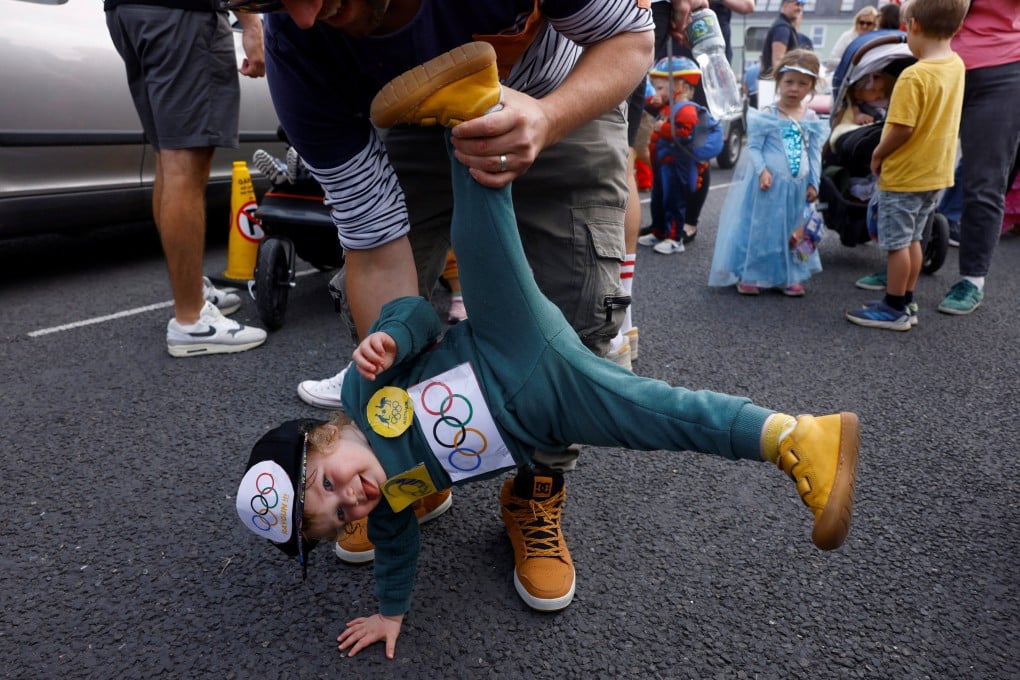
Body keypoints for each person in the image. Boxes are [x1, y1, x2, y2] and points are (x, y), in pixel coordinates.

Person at [235, 51, 861, 659]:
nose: (353, 498)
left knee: (480, 239)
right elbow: (397, 556)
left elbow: (422, 317)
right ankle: (796, 438)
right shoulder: (392, 506)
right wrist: (390, 614)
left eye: (329, 483)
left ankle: (467, 108)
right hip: (547, 413)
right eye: (340, 513)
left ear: (322, 438)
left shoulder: (360, 393)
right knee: (665, 417)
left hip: (506, 342)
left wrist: (391, 335)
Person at [227, 0, 660, 612]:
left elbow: (630, 38)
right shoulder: (301, 56)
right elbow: (376, 248)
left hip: (560, 86)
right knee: (377, 329)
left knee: (580, 323)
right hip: (415, 116)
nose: (299, 18)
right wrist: (396, 409)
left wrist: (546, 117)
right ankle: (414, 473)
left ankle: (535, 488)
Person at [105, 1, 268, 357]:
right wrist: (253, 26)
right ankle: (192, 320)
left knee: (168, 156)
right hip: (183, 14)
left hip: (125, 12)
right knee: (184, 162)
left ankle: (191, 292)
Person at [845, 0, 968, 331]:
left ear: (912, 26)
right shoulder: (956, 64)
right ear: (957, 28)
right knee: (913, 239)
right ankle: (905, 299)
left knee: (898, 244)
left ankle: (894, 307)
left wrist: (878, 153)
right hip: (934, 173)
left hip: (905, 174)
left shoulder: (914, 75)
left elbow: (902, 128)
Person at [709, 49, 826, 296]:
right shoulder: (767, 115)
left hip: (796, 186)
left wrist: (814, 182)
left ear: (812, 86)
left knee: (792, 230)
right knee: (761, 228)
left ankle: (788, 275)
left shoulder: (812, 117)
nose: (794, 88)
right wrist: (762, 170)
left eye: (803, 84)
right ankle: (752, 273)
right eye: (789, 82)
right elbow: (754, 146)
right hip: (769, 184)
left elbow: (814, 153)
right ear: (778, 82)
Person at [936, 1, 1020, 316]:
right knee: (913, 168)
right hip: (938, 61)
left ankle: (972, 279)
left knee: (984, 180)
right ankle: (901, 261)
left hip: (1002, 68)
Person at [638, 58, 716, 254]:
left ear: (679, 86)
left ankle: (674, 238)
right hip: (662, 163)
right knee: (659, 198)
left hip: (675, 164)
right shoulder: (667, 106)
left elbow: (685, 133)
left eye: (660, 88)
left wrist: (662, 127)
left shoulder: (686, 109)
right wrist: (654, 99)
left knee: (674, 201)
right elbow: (646, 104)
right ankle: (659, 230)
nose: (656, 93)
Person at [825, 5, 879, 73]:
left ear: (874, 25)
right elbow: (831, 60)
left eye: (869, 23)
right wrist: (851, 64)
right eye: (862, 22)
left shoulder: (876, 39)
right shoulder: (847, 36)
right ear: (857, 22)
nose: (864, 26)